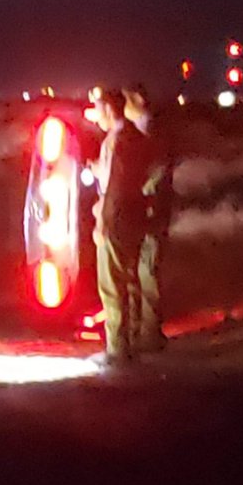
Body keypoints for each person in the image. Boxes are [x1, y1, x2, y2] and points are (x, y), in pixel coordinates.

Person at [90, 87, 154, 363]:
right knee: (129, 279)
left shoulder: (117, 141)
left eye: (97, 109)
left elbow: (115, 186)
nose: (95, 116)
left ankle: (116, 349)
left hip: (117, 217)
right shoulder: (136, 137)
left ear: (108, 109)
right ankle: (133, 340)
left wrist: (102, 222)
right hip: (135, 215)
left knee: (112, 282)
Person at [123, 84, 175, 353]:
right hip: (144, 214)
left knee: (148, 272)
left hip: (151, 215)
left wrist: (135, 190)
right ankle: (139, 332)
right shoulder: (143, 135)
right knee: (137, 272)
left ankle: (149, 335)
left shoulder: (151, 136)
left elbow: (155, 175)